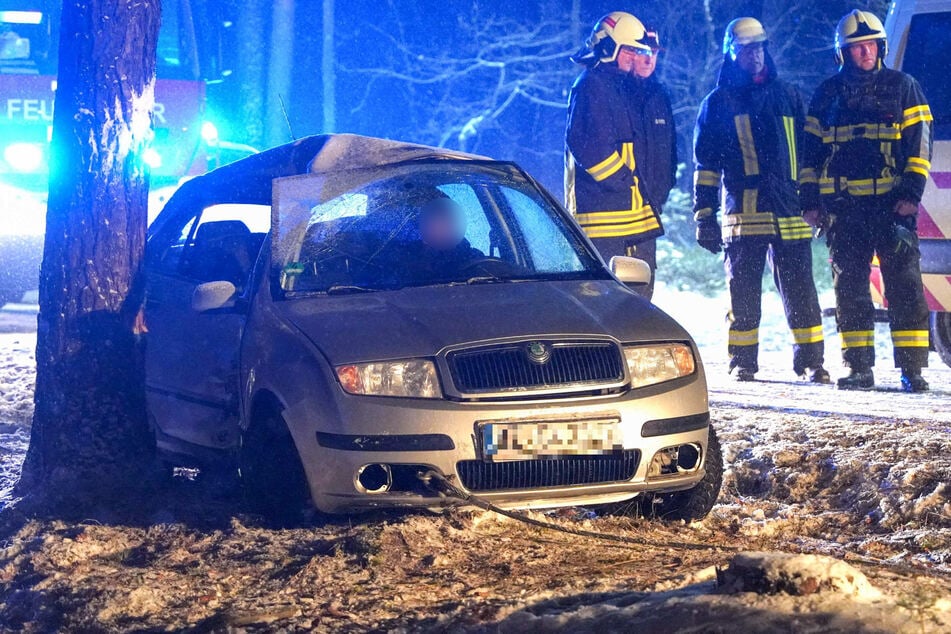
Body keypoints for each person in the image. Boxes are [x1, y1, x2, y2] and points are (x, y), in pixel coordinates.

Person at [800, 10, 933, 392]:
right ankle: (858, 367)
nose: (865, 54)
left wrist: (911, 193)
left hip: (892, 207)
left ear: (882, 47)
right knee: (850, 290)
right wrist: (809, 198)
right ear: (843, 53)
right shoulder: (827, 94)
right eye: (857, 48)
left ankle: (913, 369)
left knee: (905, 287)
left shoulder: (903, 86)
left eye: (871, 45)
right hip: (844, 210)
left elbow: (919, 145)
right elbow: (810, 154)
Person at [692, 17, 829, 383]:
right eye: (746, 49)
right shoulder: (718, 103)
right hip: (744, 212)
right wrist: (704, 215)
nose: (754, 55)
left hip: (789, 210)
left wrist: (814, 200)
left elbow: (809, 154)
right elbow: (706, 165)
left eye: (759, 47)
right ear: (731, 53)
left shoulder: (789, 96)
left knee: (801, 291)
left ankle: (811, 361)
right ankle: (743, 361)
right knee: (743, 295)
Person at [564, 11, 677, 300]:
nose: (634, 58)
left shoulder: (618, 87)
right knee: (603, 303)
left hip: (634, 220)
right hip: (605, 220)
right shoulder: (591, 85)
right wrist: (624, 183)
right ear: (608, 47)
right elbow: (589, 146)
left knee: (636, 305)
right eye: (628, 50)